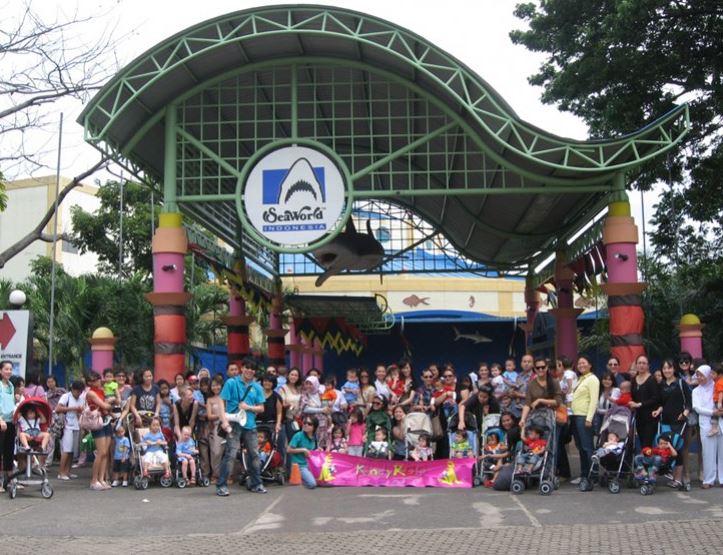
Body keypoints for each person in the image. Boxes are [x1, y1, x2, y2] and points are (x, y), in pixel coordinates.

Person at [216, 358, 266, 497]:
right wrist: (224, 421)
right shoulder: (231, 382)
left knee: (254, 454)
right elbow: (221, 401)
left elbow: (261, 408)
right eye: (247, 367)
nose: (250, 371)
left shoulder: (257, 387)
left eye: (252, 369)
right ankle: (222, 485)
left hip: (250, 424)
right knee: (230, 454)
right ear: (242, 368)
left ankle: (256, 483)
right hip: (233, 423)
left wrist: (248, 407)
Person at [652, 358, 692, 489]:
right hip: (665, 421)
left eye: (669, 368)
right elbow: (661, 403)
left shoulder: (681, 383)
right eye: (664, 368)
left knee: (677, 448)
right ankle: (671, 475)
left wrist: (685, 413)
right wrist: (658, 411)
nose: (666, 370)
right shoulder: (661, 385)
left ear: (674, 369)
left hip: (679, 422)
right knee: (666, 447)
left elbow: (689, 401)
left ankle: (678, 479)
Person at [691, 364, 723, 489]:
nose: (700, 378)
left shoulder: (717, 385)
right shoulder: (696, 391)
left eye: (702, 375)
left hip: (720, 421)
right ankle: (709, 479)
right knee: (708, 453)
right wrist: (712, 412)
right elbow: (697, 408)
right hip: (705, 423)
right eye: (698, 375)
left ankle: (722, 478)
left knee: (722, 451)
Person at [570, 355, 600, 485]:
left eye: (584, 363)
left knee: (588, 448)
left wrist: (589, 418)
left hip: (584, 417)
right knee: (581, 448)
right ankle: (584, 474)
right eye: (579, 363)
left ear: (590, 365)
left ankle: (593, 475)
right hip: (575, 416)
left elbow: (594, 400)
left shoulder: (593, 379)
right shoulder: (580, 379)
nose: (581, 365)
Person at [85, 371, 114, 491]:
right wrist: (111, 402)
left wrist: (109, 403)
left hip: (106, 420)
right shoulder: (91, 393)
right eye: (95, 380)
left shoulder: (101, 391)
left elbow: (107, 406)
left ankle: (101, 479)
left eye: (98, 379)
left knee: (105, 453)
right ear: (89, 382)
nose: (98, 381)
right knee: (101, 452)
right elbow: (105, 406)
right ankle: (94, 480)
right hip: (97, 422)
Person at [519, 357, 562, 429]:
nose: (540, 369)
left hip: (552, 417)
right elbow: (527, 404)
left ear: (547, 367)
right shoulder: (531, 384)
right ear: (535, 369)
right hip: (535, 417)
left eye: (543, 367)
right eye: (538, 368)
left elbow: (558, 401)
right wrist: (523, 419)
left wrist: (540, 400)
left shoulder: (554, 382)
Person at [629, 355, 661, 449]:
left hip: (650, 417)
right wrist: (631, 404)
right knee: (642, 443)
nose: (641, 365)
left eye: (644, 363)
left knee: (646, 445)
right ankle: (644, 458)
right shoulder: (634, 380)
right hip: (639, 417)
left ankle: (647, 459)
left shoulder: (652, 380)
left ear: (648, 365)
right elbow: (632, 396)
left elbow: (656, 398)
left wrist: (640, 404)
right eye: (639, 363)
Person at [56, 380, 84, 481]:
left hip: (76, 426)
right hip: (67, 426)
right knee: (66, 450)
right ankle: (61, 472)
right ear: (72, 389)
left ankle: (68, 471)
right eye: (77, 391)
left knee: (72, 451)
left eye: (80, 391)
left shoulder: (81, 399)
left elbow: (81, 412)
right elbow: (58, 408)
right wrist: (73, 408)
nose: (78, 393)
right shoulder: (66, 396)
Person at [300, 375, 333, 451]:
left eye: (310, 384)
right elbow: (305, 409)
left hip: (322, 424)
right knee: (309, 444)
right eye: (307, 383)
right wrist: (321, 410)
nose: (308, 386)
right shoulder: (305, 395)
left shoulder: (321, 393)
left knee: (321, 446)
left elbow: (326, 406)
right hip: (310, 423)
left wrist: (328, 408)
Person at [287, 416, 318, 489]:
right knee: (312, 484)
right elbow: (288, 450)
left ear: (314, 427)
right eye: (304, 423)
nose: (306, 425)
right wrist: (303, 450)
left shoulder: (314, 437)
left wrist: (317, 450)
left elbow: (311, 451)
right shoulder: (298, 435)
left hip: (310, 465)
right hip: (299, 465)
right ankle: (301, 481)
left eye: (309, 424)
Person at [710, 365, 723, 436]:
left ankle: (714, 428)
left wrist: (719, 402)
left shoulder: (719, 382)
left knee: (715, 413)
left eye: (713, 373)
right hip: (718, 401)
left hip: (719, 401)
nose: (711, 375)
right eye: (710, 373)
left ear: (719, 375)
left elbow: (721, 392)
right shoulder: (718, 381)